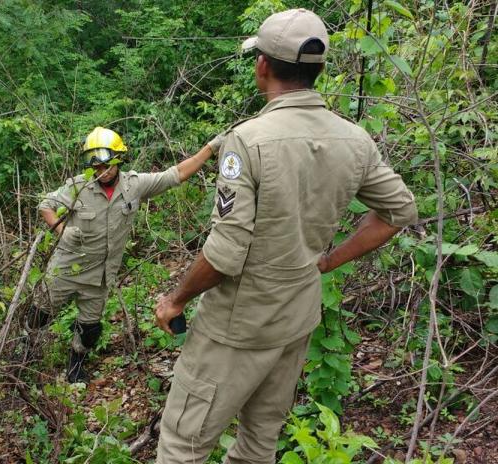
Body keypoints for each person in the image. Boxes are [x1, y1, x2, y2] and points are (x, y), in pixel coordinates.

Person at [154, 8, 418, 464]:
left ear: (262, 65)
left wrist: (176, 300)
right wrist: (328, 261)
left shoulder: (249, 140)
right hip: (296, 317)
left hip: (237, 327)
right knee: (259, 443)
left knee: (182, 444)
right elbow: (399, 211)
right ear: (318, 69)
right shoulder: (354, 140)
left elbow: (225, 251)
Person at [30, 126, 222, 383]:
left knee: (90, 328)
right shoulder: (78, 186)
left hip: (99, 276)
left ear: (118, 160)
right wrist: (61, 230)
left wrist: (211, 147)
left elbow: (176, 174)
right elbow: (46, 205)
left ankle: (76, 365)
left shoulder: (134, 185)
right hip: (67, 268)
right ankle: (25, 351)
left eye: (106, 166)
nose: (101, 172)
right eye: (95, 167)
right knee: (39, 312)